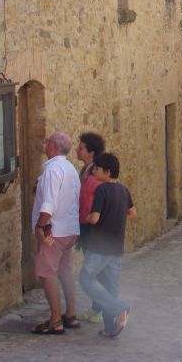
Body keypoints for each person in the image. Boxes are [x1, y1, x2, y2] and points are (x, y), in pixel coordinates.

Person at [79, 152, 137, 338]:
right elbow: (133, 213)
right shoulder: (123, 190)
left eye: (96, 168)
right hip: (116, 246)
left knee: (86, 279)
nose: (94, 171)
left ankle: (120, 308)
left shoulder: (102, 190)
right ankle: (110, 327)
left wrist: (86, 217)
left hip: (99, 246)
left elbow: (94, 218)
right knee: (111, 286)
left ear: (107, 171)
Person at [30, 132, 81, 335]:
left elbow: (48, 204)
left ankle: (55, 319)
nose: (45, 145)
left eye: (46, 142)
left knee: (46, 272)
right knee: (65, 271)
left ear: (53, 146)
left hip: (54, 231)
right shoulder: (70, 168)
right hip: (70, 229)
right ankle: (71, 314)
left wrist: (40, 227)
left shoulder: (52, 170)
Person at [75, 131, 105, 323]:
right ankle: (97, 307)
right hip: (86, 226)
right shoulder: (86, 170)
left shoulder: (96, 173)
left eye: (81, 147)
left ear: (91, 152)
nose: (77, 150)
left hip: (94, 227)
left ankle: (102, 309)